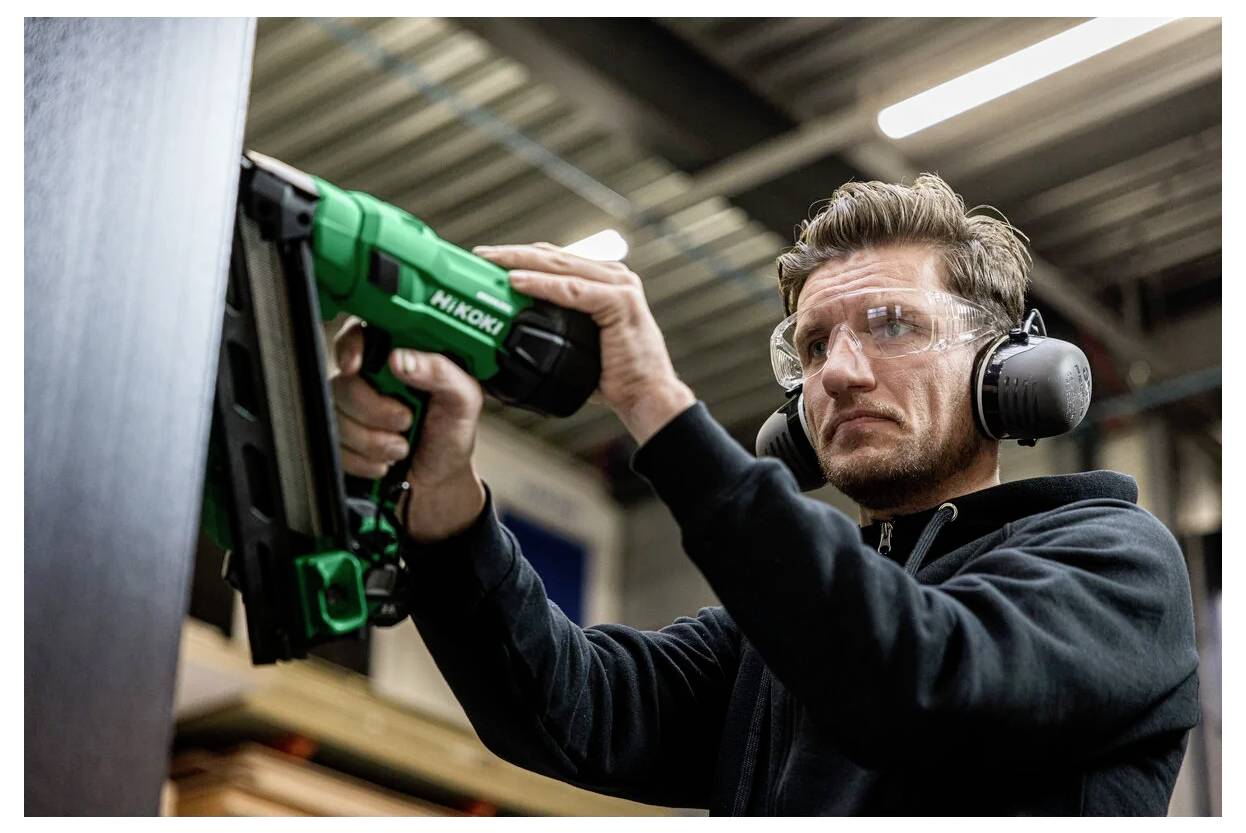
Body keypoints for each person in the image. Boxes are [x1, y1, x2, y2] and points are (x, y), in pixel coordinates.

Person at [329, 174, 1199, 815]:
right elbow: (573, 706)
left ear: (1003, 363)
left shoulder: (1115, 563)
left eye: (892, 324)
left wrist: (657, 406)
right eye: (814, 345)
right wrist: (442, 498)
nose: (840, 372)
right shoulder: (772, 643)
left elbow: (915, 676)